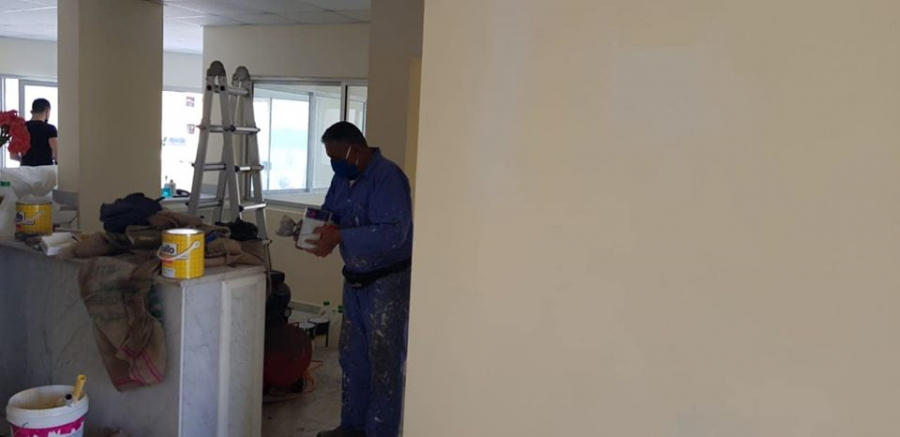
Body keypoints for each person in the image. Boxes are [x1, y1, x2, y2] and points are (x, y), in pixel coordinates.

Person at [304, 122, 413, 437]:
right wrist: (310, 231)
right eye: (330, 158)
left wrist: (341, 237)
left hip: (387, 283)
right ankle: (352, 427)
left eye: (337, 157)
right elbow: (330, 214)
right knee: (352, 357)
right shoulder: (342, 178)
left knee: (384, 362)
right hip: (354, 280)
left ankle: (380, 432)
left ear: (356, 149)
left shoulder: (388, 178)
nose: (334, 164)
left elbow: (395, 232)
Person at [16, 98, 58, 167]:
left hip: (26, 169)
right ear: (47, 111)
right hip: (45, 169)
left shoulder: (22, 127)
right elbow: (56, 152)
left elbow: (13, 155)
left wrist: (24, 160)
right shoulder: (50, 129)